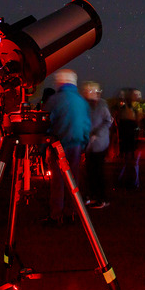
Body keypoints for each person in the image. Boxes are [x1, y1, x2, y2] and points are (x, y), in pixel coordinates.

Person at [43, 69, 91, 225]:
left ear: (60, 82)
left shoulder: (55, 100)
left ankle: (56, 215)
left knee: (58, 181)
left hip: (58, 145)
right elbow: (86, 125)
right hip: (76, 145)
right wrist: (84, 144)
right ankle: (72, 213)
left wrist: (44, 146)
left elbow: (46, 123)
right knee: (74, 180)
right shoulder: (81, 101)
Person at [81, 81, 113, 209]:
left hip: (100, 143)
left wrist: (97, 133)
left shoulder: (102, 104)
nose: (88, 92)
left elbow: (107, 121)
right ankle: (92, 195)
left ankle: (102, 198)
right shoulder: (86, 105)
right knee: (90, 171)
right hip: (89, 143)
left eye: (90, 90)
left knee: (97, 171)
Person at [116, 89, 143, 190]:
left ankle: (125, 182)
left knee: (127, 161)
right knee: (131, 162)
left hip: (127, 138)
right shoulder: (131, 110)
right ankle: (132, 183)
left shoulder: (124, 110)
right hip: (129, 138)